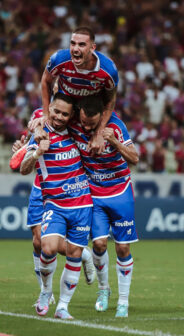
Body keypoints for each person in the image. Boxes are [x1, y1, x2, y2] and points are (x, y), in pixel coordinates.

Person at [11, 108, 96, 308]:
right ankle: (46, 292)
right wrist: (23, 146)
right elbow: (31, 137)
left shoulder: (72, 113)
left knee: (48, 242)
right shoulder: (40, 112)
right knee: (38, 242)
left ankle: (81, 255)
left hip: (67, 190)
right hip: (41, 186)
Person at [68, 95, 139, 318]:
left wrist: (115, 143)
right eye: (83, 122)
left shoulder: (116, 126)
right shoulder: (75, 124)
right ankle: (103, 290)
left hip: (120, 191)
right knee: (98, 244)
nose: (86, 126)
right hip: (94, 193)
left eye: (91, 123)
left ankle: (124, 302)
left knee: (123, 248)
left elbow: (135, 158)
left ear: (102, 116)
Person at [40, 26, 118, 154]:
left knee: (100, 146)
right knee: (39, 128)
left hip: (90, 112)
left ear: (93, 48)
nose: (75, 49)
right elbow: (45, 80)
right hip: (66, 107)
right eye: (73, 43)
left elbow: (111, 99)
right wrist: (45, 114)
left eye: (81, 45)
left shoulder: (108, 70)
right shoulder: (58, 59)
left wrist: (99, 131)